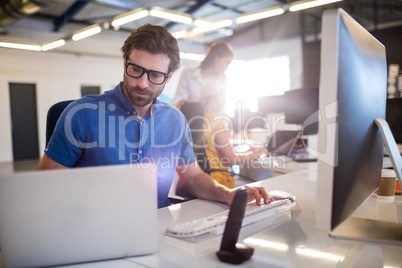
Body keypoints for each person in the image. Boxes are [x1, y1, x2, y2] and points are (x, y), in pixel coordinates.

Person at [37, 24, 272, 208]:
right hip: (94, 230)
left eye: (155, 75)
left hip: (159, 231)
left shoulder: (175, 120)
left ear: (169, 77)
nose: (142, 83)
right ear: (125, 62)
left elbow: (193, 177)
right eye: (136, 69)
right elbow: (44, 189)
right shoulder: (82, 115)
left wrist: (228, 193)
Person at [199, 77, 269, 188]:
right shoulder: (216, 120)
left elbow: (219, 155)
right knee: (264, 185)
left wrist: (248, 153)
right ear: (217, 95)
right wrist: (259, 153)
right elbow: (230, 160)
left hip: (202, 179)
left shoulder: (198, 118)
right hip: (218, 182)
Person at [171, 41, 234, 108]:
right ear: (217, 58)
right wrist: (179, 103)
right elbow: (178, 98)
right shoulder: (188, 73)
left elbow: (221, 108)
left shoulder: (221, 82)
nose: (227, 67)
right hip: (187, 116)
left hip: (209, 117)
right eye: (226, 63)